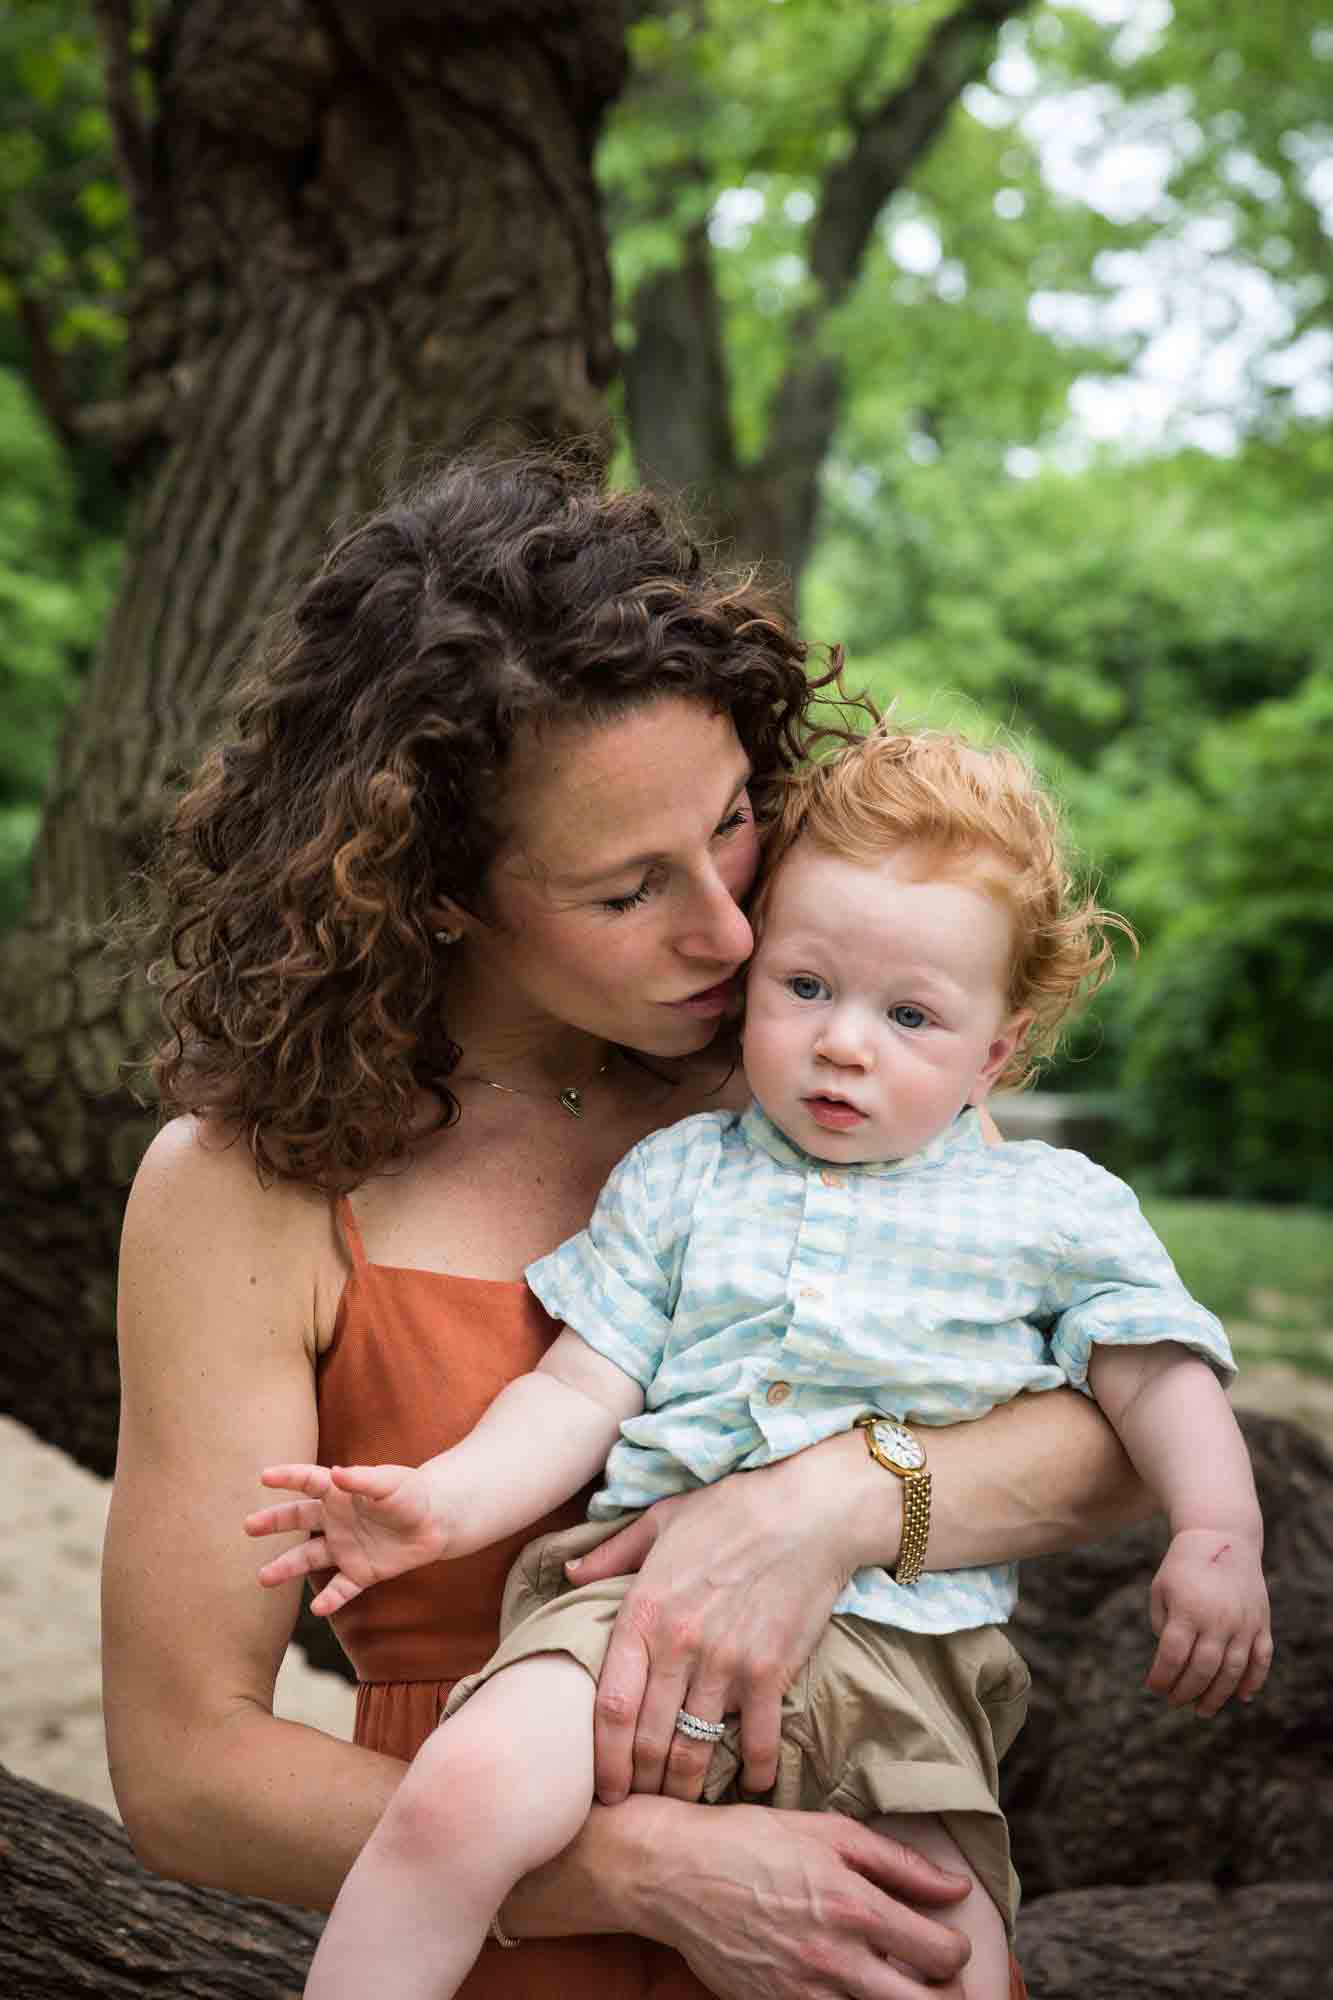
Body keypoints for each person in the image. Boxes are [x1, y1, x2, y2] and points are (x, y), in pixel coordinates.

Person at [106, 451, 1154, 2000]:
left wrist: (838, 1505)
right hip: (493, 1931)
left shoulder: (836, 1068)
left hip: (861, 1892)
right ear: (439, 893)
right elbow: (187, 1768)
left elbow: (1111, 1437)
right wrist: (631, 1876)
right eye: (625, 892)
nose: (730, 930)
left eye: (734, 823)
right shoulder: (250, 1184)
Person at [248, 722, 1271, 2000]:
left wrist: (1217, 1529)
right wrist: (441, 1501)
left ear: (993, 1053)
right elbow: (579, 1382)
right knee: (454, 1801)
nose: (845, 1042)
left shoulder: (1048, 1208)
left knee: (936, 1956)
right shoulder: (680, 1175)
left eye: (909, 1014)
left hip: (907, 1661)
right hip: (627, 1619)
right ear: (755, 970)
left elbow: (1156, 1371)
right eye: (805, 986)